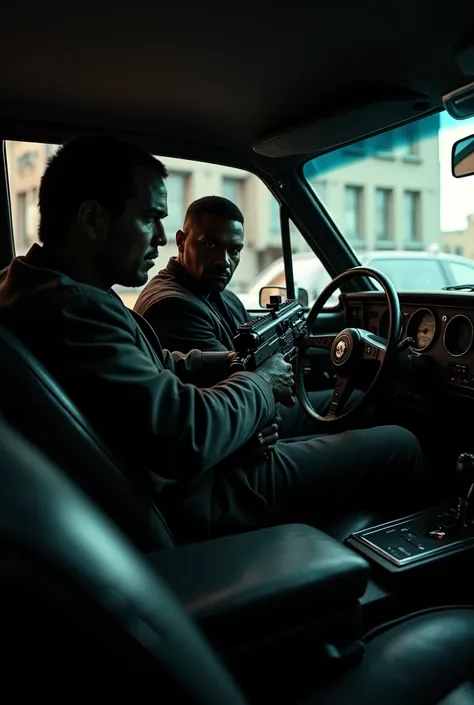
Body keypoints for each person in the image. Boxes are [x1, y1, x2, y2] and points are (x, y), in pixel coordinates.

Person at [0, 135, 426, 545]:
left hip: (192, 480)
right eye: (150, 217)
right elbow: (185, 433)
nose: (163, 238)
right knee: (399, 444)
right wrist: (259, 385)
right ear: (93, 220)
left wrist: (231, 363)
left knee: (355, 406)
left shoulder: (54, 292)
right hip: (200, 499)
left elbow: (161, 367)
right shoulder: (74, 311)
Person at [134, 195, 362, 438]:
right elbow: (232, 387)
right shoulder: (172, 305)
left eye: (234, 250)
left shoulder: (219, 294)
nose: (224, 261)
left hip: (250, 411)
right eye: (211, 245)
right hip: (244, 422)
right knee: (357, 401)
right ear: (181, 241)